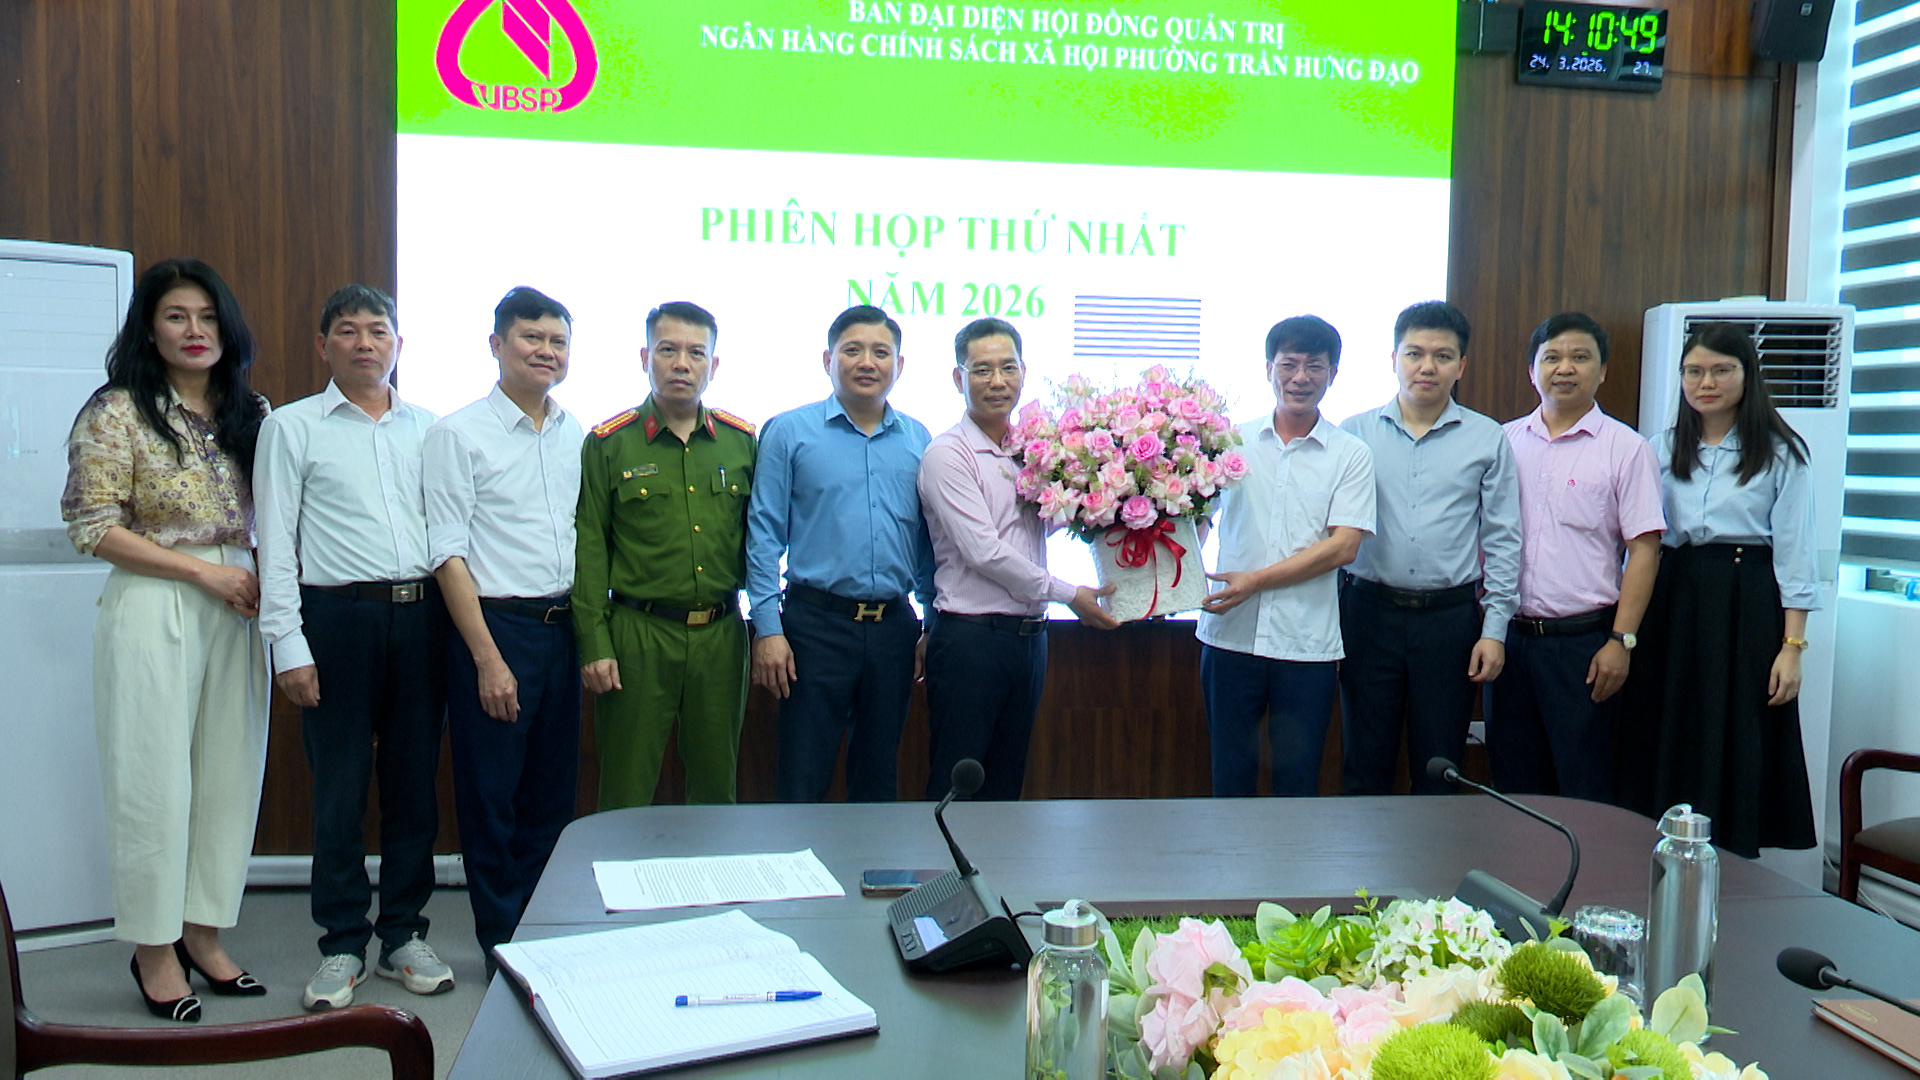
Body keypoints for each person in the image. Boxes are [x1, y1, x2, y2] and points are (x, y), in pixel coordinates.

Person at [61, 258, 271, 1022]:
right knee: (153, 782)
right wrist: (202, 573)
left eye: (208, 317)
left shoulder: (251, 411)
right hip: (156, 599)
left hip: (239, 602)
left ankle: (203, 935)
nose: (195, 331)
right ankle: (154, 951)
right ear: (150, 328)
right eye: (177, 316)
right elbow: (93, 525)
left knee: (227, 776)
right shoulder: (118, 410)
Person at [256, 284, 454, 1010]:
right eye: (348, 330)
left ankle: (403, 932)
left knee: (412, 785)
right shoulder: (292, 428)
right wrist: (288, 644)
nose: (365, 342)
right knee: (338, 789)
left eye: (378, 330)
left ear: (399, 343)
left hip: (421, 618)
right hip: (336, 620)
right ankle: (342, 943)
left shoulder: (431, 429)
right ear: (323, 345)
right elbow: (275, 541)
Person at [424, 287, 585, 962]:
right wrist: (488, 659)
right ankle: (501, 941)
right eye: (531, 338)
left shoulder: (577, 432)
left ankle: (538, 933)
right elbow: (447, 554)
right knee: (491, 796)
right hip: (496, 629)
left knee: (551, 794)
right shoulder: (457, 434)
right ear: (497, 345)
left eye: (557, 341)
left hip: (563, 629)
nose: (546, 351)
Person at [1617, 322, 1818, 858]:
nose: (1706, 382)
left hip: (1744, 602)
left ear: (1747, 375)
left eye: (1721, 370)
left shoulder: (1780, 452)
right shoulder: (1659, 448)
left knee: (1734, 730)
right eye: (1694, 371)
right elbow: (1639, 540)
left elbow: (1796, 556)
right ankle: (1661, 858)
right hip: (1672, 598)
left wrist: (1792, 648)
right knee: (1666, 727)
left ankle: (1728, 866)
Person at [917, 318, 1119, 800]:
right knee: (957, 786)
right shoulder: (948, 454)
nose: (997, 381)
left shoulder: (1035, 451)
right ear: (958, 377)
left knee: (1006, 790)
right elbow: (985, 552)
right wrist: (1070, 594)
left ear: (1024, 372)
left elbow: (1041, 525)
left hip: (1029, 641)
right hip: (971, 641)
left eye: (1008, 368)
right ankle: (944, 857)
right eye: (982, 369)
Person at [746, 305, 935, 803]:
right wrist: (767, 629)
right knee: (803, 778)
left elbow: (927, 545)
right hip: (815, 628)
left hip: (894, 629)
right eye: (853, 350)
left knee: (878, 780)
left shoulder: (918, 439)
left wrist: (932, 622)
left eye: (881, 352)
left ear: (899, 364)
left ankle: (870, 859)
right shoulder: (789, 432)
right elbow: (763, 537)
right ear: (828, 360)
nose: (867, 362)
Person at [574, 301, 756, 809]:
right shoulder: (610, 444)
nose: (681, 363)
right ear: (644, 357)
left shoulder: (741, 443)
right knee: (626, 791)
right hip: (639, 635)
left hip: (721, 635)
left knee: (716, 790)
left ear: (713, 365)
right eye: (668, 350)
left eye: (696, 353)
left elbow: (760, 542)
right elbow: (590, 549)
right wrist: (594, 643)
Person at [1336, 301, 1521, 795]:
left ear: (1461, 366)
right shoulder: (1353, 434)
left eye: (1442, 356)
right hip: (1367, 614)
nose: (1427, 366)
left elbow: (1503, 540)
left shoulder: (1487, 438)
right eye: (1414, 353)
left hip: (1449, 622)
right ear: (1393, 359)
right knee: (1364, 764)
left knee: (1439, 766)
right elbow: (1329, 535)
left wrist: (1495, 631)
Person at [1197, 315, 1375, 797]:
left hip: (1305, 644)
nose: (1300, 377)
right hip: (1230, 638)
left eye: (1314, 366)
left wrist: (1255, 581)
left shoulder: (1351, 454)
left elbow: (1343, 546)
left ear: (1332, 374)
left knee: (1296, 787)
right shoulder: (1228, 442)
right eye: (1288, 364)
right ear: (1268, 369)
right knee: (1229, 779)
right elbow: (1194, 520)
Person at [1492, 312, 1665, 802]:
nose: (1564, 368)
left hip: (1583, 645)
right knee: (1512, 784)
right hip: (1508, 639)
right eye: (1552, 357)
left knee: (1582, 784)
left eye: (1580, 357)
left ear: (1602, 370)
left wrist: (1621, 641)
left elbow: (1645, 550)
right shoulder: (1503, 443)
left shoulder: (1627, 449)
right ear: (1532, 371)